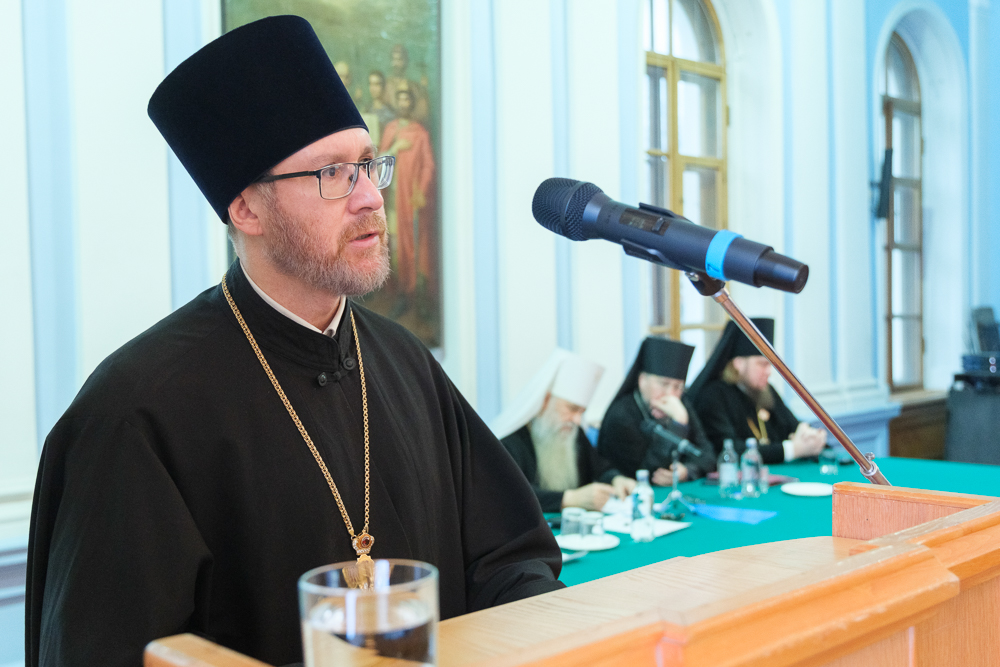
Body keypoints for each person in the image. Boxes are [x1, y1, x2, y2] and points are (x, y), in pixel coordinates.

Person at [25, 16, 562, 667]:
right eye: (333, 173)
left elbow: (509, 558)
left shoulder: (405, 362)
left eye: (368, 165)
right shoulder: (136, 410)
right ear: (246, 209)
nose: (371, 198)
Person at [491, 349, 636, 512]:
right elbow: (509, 493)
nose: (577, 420)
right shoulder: (510, 441)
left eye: (582, 412)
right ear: (545, 401)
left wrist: (616, 479)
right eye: (572, 409)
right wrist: (568, 499)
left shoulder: (573, 432)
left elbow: (600, 467)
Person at [687, 318, 827, 464]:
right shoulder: (713, 396)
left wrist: (809, 434)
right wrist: (792, 450)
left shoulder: (765, 390)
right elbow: (729, 449)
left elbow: (791, 425)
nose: (769, 372)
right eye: (762, 364)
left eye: (770, 365)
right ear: (738, 364)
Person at [598, 337, 716, 486]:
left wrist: (687, 471)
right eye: (664, 384)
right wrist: (678, 424)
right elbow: (647, 473)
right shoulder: (621, 415)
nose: (670, 394)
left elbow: (708, 456)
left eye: (678, 387)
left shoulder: (681, 404)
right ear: (642, 381)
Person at [379, 83, 436, 309]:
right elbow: (379, 162)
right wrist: (395, 148)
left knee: (411, 245)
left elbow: (428, 166)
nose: (403, 103)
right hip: (390, 200)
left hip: (409, 200)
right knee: (393, 244)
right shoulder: (390, 129)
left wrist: (421, 190)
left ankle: (411, 293)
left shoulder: (420, 133)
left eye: (407, 99)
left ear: (411, 103)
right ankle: (397, 290)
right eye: (400, 99)